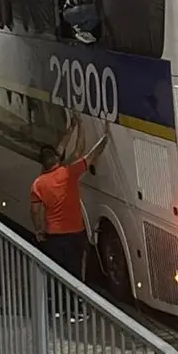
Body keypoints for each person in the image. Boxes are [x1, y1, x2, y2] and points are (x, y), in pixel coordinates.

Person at [30, 117, 110, 321]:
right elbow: (89, 154)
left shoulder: (39, 184)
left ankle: (57, 309)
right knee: (75, 273)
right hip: (75, 232)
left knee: (56, 272)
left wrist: (39, 230)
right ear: (57, 160)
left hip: (53, 235)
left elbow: (35, 211)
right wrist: (105, 137)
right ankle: (76, 311)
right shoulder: (68, 174)